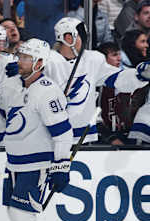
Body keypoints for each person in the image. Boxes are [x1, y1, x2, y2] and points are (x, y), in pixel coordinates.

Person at [0, 38, 71, 221]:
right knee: (15, 214)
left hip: (35, 163)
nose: (20, 60)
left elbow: (62, 132)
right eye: (20, 56)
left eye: (26, 58)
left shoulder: (47, 90)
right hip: (14, 161)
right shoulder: (12, 85)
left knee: (21, 214)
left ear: (39, 63)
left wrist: (61, 166)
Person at [45, 16, 150, 144]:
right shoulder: (48, 62)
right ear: (68, 38)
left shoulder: (92, 60)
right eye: (81, 35)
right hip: (53, 138)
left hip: (85, 138)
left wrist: (139, 75)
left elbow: (117, 79)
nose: (85, 39)